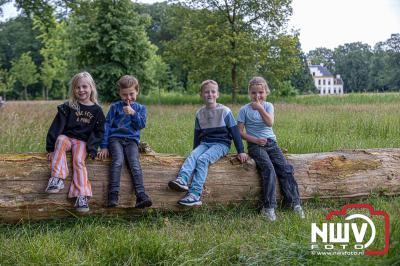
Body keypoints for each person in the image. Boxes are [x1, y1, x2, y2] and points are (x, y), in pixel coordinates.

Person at [168, 80, 248, 206]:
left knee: (203, 159)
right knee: (194, 156)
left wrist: (241, 151)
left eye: (213, 91)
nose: (210, 94)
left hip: (221, 144)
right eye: (206, 92)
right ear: (201, 94)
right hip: (205, 143)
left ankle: (195, 194)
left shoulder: (225, 111)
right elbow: (197, 134)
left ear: (217, 94)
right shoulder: (199, 113)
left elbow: (235, 132)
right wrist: (195, 150)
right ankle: (182, 179)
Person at [237, 76, 305, 221]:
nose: (257, 96)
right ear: (249, 93)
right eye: (254, 93)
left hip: (272, 144)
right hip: (256, 146)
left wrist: (260, 108)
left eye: (261, 92)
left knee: (285, 169)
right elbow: (240, 132)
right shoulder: (244, 110)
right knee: (268, 169)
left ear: (266, 92)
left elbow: (269, 123)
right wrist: (255, 140)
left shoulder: (268, 106)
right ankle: (269, 208)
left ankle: (294, 204)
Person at [45, 72, 105, 213]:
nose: (81, 90)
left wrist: (92, 148)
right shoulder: (68, 107)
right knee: (60, 140)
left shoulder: (97, 111)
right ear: (73, 89)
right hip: (67, 138)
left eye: (85, 86)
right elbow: (55, 127)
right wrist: (50, 149)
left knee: (78, 161)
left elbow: (99, 131)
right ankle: (57, 178)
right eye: (77, 87)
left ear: (92, 88)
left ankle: (81, 195)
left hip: (82, 142)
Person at [98, 75, 152, 209]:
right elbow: (107, 126)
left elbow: (141, 125)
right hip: (115, 139)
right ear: (119, 93)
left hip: (132, 140)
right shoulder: (115, 107)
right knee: (118, 161)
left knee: (134, 163)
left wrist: (133, 113)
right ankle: (113, 194)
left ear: (137, 91)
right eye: (124, 95)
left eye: (131, 94)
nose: (128, 98)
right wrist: (104, 146)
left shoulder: (140, 108)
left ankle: (141, 195)